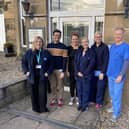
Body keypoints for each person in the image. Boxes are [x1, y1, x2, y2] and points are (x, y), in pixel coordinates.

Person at [22, 36, 53, 113]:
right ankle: (35, 108)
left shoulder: (46, 52)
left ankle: (43, 108)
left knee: (42, 93)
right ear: (34, 43)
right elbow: (23, 63)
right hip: (32, 76)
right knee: (34, 93)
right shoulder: (29, 52)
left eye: (40, 41)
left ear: (42, 43)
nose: (38, 43)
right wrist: (26, 71)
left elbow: (51, 64)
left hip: (42, 76)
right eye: (37, 42)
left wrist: (47, 73)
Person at [107, 27, 129, 122]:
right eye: (116, 34)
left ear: (123, 35)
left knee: (117, 95)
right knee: (112, 94)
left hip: (118, 76)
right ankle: (114, 108)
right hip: (110, 74)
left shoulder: (126, 46)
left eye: (119, 34)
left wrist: (121, 75)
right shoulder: (112, 46)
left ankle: (116, 113)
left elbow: (126, 62)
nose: (117, 36)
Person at [47, 29, 68, 107]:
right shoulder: (48, 46)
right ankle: (54, 98)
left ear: (60, 36)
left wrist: (63, 71)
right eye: (55, 35)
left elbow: (65, 60)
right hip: (51, 70)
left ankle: (60, 99)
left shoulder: (63, 46)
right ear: (53, 36)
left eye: (58, 35)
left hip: (59, 70)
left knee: (60, 85)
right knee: (53, 85)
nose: (57, 37)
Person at [74, 37, 95, 112]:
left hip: (86, 76)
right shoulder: (79, 51)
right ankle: (80, 104)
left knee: (85, 91)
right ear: (81, 43)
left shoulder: (91, 52)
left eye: (86, 42)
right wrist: (77, 72)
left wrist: (84, 73)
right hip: (79, 75)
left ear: (88, 42)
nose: (85, 43)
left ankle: (85, 105)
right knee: (79, 90)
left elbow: (92, 64)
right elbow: (75, 62)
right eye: (83, 42)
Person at [90, 32, 109, 110]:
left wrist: (103, 72)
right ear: (94, 38)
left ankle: (99, 102)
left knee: (100, 87)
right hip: (93, 71)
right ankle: (93, 100)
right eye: (96, 37)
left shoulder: (105, 47)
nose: (98, 38)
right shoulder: (92, 47)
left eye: (99, 37)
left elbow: (106, 60)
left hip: (101, 71)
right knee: (93, 87)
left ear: (101, 37)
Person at [67, 33, 80, 106]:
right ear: (71, 40)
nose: (75, 40)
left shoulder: (81, 48)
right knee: (71, 85)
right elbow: (66, 60)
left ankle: (77, 97)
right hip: (71, 70)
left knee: (78, 85)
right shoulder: (68, 48)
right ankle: (72, 97)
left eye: (76, 39)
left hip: (78, 70)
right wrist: (67, 70)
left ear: (78, 40)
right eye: (73, 39)